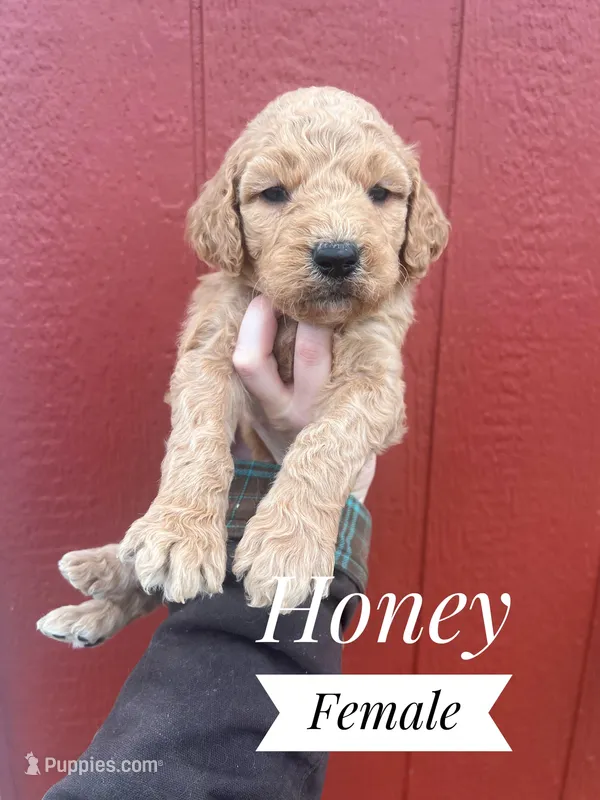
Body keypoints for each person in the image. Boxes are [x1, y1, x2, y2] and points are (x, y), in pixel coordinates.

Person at [44, 296, 375, 800]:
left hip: (260, 515)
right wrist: (191, 501)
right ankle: (134, 582)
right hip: (232, 510)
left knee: (181, 549)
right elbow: (204, 372)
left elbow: (375, 391)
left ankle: (131, 584)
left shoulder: (378, 307)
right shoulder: (234, 290)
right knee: (181, 536)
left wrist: (307, 502)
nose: (337, 251)